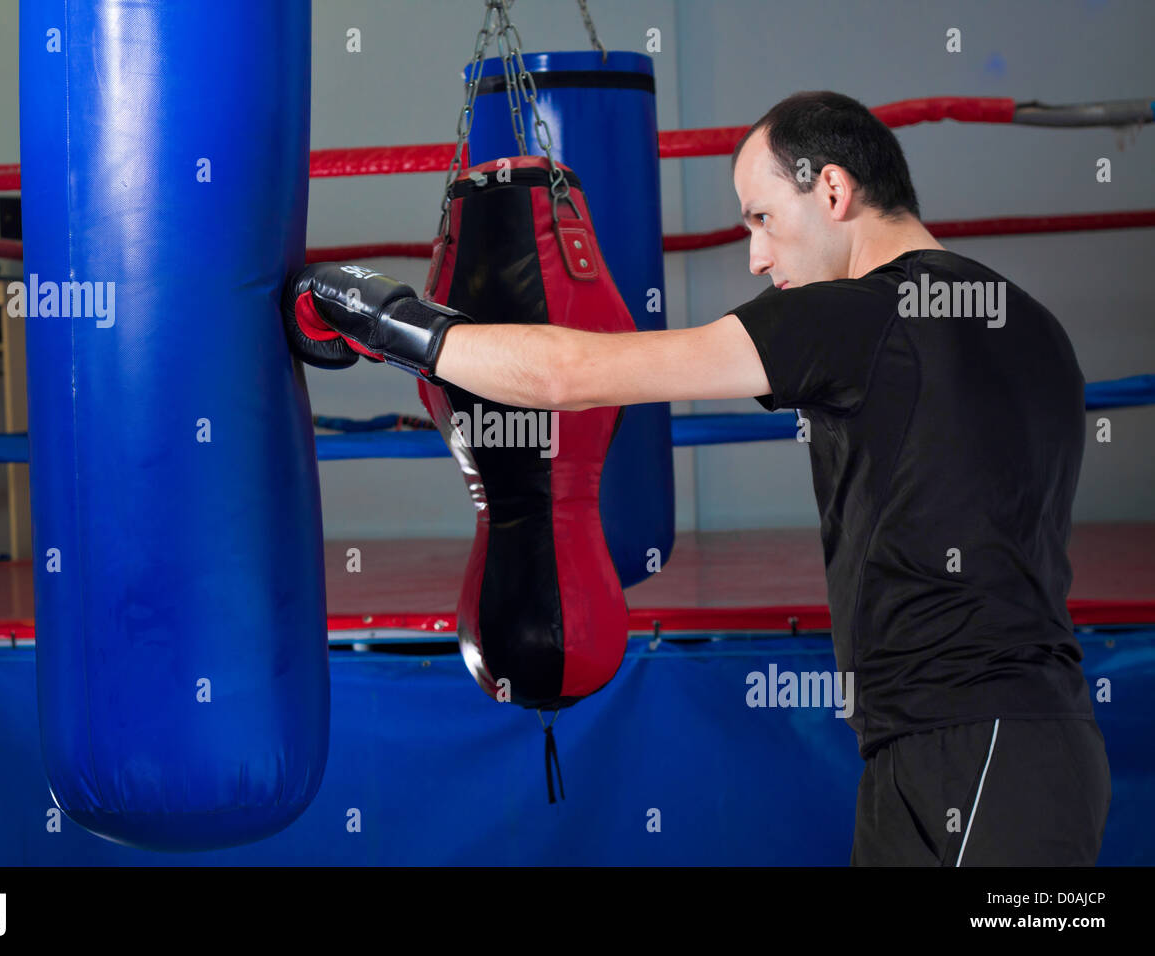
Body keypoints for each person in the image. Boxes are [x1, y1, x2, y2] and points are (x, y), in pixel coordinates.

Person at [284, 90, 1110, 866]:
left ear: (831, 190)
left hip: (962, 749)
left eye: (761, 218)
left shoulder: (859, 317)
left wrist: (392, 322)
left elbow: (569, 377)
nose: (753, 256)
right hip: (1040, 742)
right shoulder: (1031, 325)